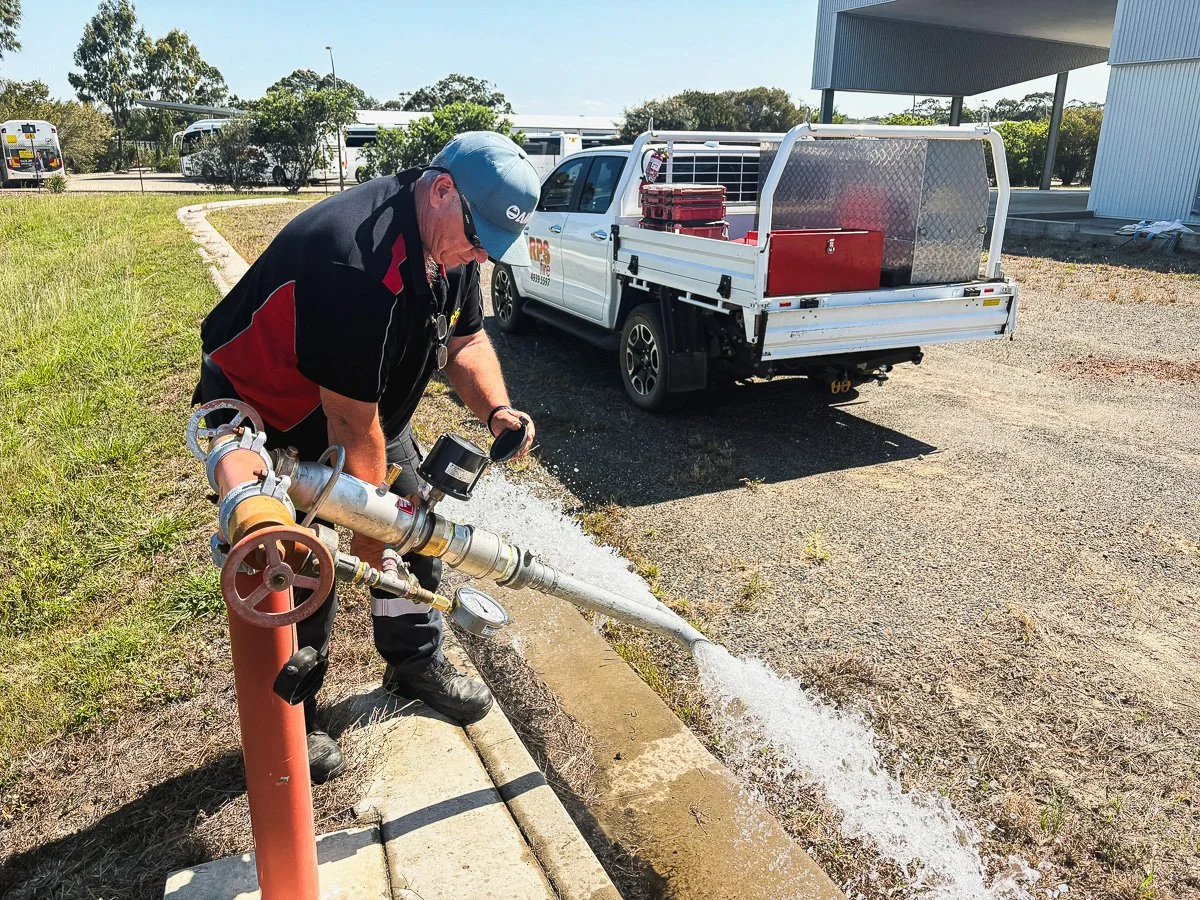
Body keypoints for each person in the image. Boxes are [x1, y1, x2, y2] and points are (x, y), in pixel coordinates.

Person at [194, 132, 540, 783]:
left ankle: (413, 659)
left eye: (493, 246)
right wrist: (375, 540)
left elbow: (465, 340)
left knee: (418, 526)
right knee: (298, 561)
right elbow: (350, 427)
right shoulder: (353, 259)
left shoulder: (453, 246)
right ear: (442, 191)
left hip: (362, 406)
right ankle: (293, 715)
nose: (481, 254)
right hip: (266, 411)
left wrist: (497, 409)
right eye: (479, 237)